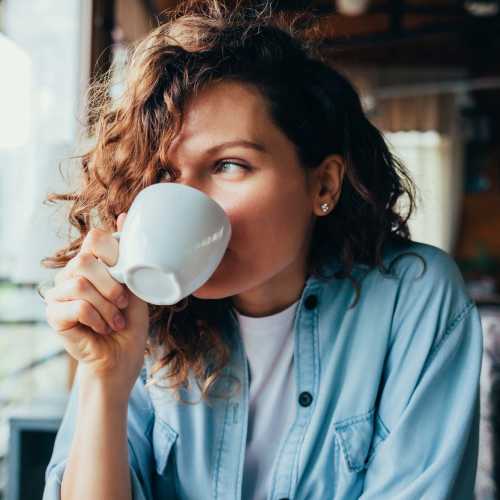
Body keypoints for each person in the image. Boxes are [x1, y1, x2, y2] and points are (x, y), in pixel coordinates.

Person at [40, 1, 483, 499]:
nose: (186, 199)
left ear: (323, 185)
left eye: (229, 165)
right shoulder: (141, 319)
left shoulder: (412, 298)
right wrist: (104, 380)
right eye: (165, 175)